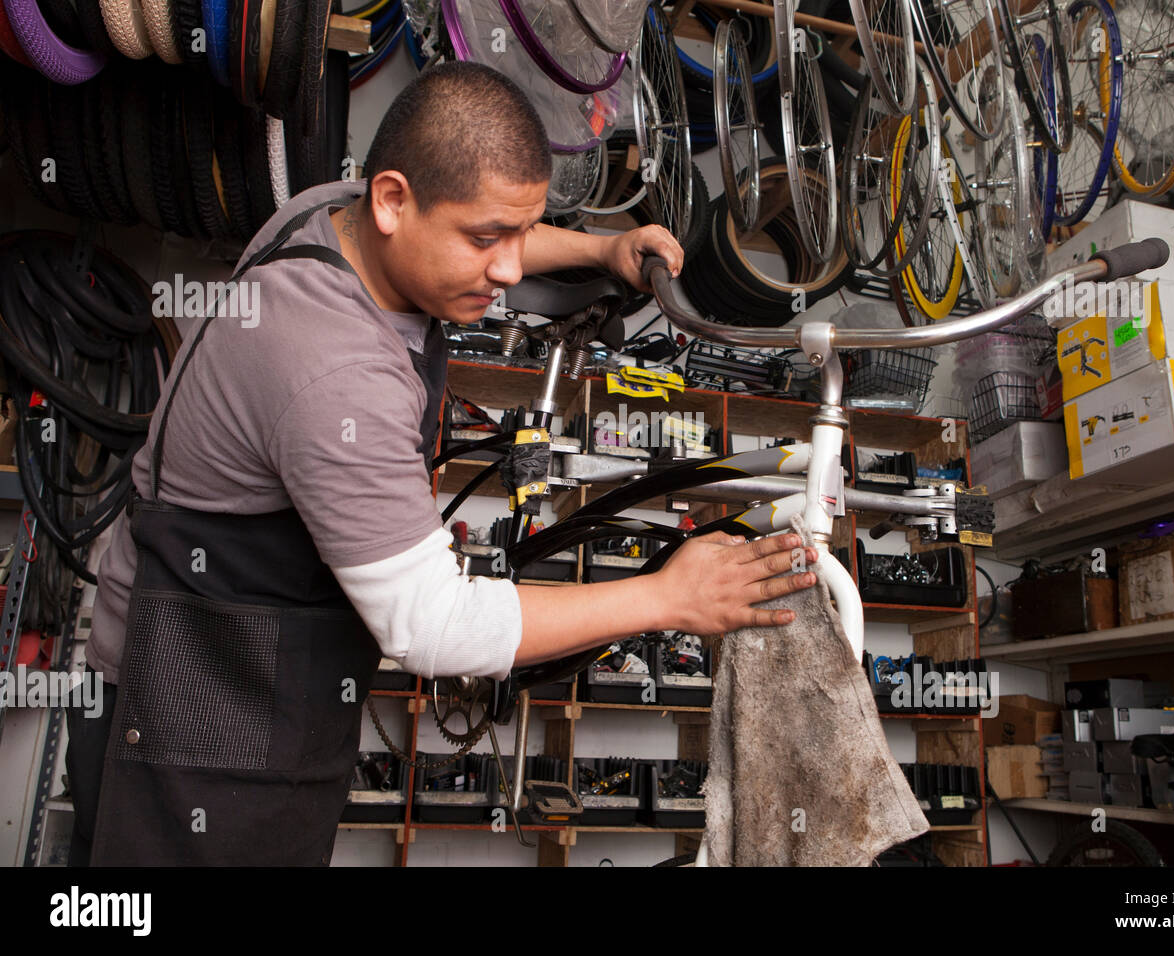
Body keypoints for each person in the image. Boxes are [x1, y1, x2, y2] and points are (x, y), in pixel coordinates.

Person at [66, 61, 817, 866]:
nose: (505, 271)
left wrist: (603, 249)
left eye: (519, 234)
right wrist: (669, 596)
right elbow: (430, 624)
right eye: (486, 242)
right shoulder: (333, 369)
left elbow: (483, 223)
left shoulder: (328, 213)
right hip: (189, 724)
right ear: (392, 199)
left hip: (247, 679)